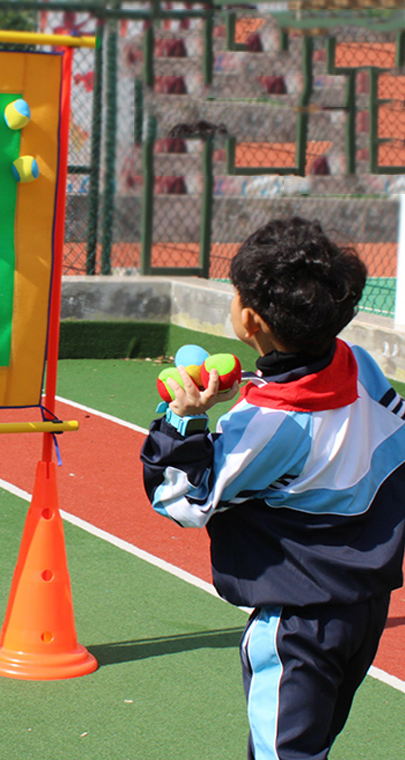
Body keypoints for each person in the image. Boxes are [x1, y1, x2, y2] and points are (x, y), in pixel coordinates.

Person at [140, 217, 405, 760]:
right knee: (312, 743)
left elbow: (183, 498)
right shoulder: (360, 365)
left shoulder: (267, 422)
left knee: (284, 752)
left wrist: (182, 422)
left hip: (297, 620)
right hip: (365, 601)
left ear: (250, 320)